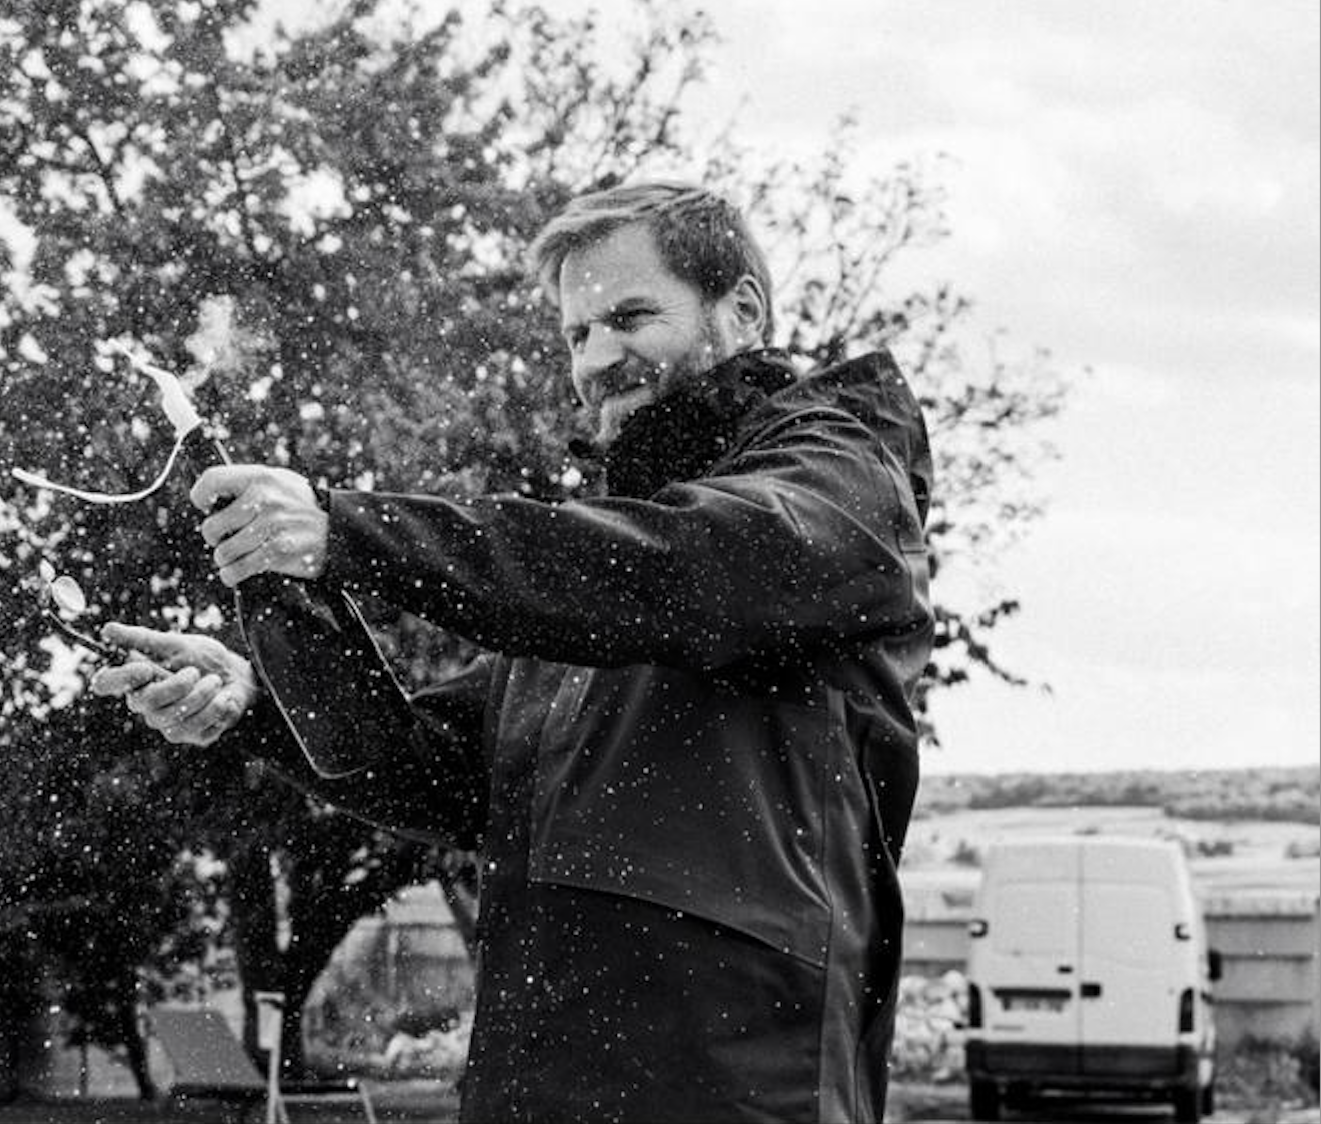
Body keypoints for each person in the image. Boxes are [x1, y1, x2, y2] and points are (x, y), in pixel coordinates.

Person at [92, 181, 935, 1122]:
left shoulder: (837, 476)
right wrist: (257, 703)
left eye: (631, 317)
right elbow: (438, 774)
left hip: (740, 1091)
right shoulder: (585, 591)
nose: (598, 359)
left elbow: (685, 570)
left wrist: (348, 529)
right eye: (578, 335)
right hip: (536, 1089)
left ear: (741, 309)